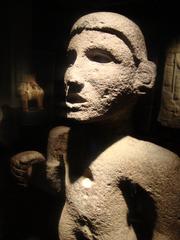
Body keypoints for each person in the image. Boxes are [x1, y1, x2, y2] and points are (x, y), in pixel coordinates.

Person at [11, 12, 180, 240]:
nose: (71, 75)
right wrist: (35, 170)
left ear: (143, 76)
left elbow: (166, 234)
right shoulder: (61, 138)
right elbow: (61, 189)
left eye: (100, 57)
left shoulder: (156, 163)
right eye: (71, 59)